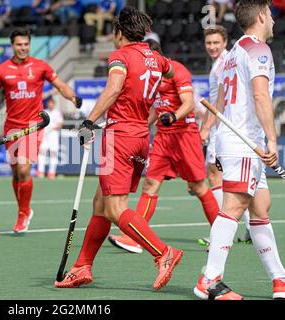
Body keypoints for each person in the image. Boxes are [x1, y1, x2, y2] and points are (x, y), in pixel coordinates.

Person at [55, 7, 183, 292]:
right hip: (140, 137)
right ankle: (82, 266)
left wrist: (89, 120)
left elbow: (113, 89)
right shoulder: (157, 58)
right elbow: (173, 72)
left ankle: (163, 253)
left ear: (119, 33)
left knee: (115, 209)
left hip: (120, 137)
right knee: (100, 203)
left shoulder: (120, 56)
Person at [194, 0, 285, 300]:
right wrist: (273, 140)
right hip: (244, 142)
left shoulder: (233, 54)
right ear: (261, 16)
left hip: (238, 141)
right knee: (233, 207)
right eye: (270, 14)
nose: (273, 19)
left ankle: (279, 279)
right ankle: (209, 280)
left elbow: (221, 101)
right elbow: (260, 96)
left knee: (260, 208)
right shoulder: (258, 49)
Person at [107, 40, 220, 255]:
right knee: (150, 184)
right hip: (163, 137)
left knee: (198, 186)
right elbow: (154, 110)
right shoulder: (151, 73)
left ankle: (221, 237)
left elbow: (189, 103)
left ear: (157, 56)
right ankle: (136, 239)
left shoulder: (177, 70)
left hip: (184, 136)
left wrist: (174, 116)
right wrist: (138, 125)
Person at [0, 28, 80, 235]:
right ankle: (23, 210)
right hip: (11, 127)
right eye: (19, 44)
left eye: (26, 44)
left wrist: (73, 98)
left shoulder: (41, 66)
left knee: (24, 169)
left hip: (34, 125)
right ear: (12, 46)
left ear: (29, 45)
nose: (23, 48)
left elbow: (60, 85)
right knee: (16, 172)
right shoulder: (2, 70)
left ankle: (23, 213)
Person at [199, 25, 252, 246]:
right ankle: (248, 228)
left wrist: (207, 127)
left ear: (225, 42)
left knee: (215, 176)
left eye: (216, 43)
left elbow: (220, 102)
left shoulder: (222, 64)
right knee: (235, 180)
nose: (212, 47)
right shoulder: (224, 61)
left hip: (223, 128)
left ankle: (220, 232)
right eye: (209, 43)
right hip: (226, 126)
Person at [37, 97, 64, 179]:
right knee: (42, 152)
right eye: (49, 103)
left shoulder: (57, 113)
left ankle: (52, 172)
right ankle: (40, 172)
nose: (50, 104)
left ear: (54, 104)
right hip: (45, 134)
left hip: (53, 134)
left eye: (52, 103)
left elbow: (60, 124)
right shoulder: (44, 112)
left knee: (53, 153)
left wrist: (51, 128)